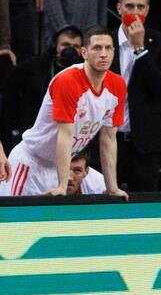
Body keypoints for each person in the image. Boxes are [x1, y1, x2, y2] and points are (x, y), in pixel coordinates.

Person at [0, 27, 126, 198]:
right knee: (13, 221)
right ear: (84, 52)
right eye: (97, 48)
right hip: (30, 162)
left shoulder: (118, 85)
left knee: (47, 224)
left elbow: (108, 139)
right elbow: (64, 135)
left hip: (55, 167)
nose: (103, 54)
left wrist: (112, 187)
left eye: (108, 48)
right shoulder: (67, 80)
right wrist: (62, 185)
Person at [110, 0, 161, 192]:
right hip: (108, 138)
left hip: (145, 141)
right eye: (130, 6)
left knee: (145, 202)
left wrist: (140, 49)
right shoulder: (105, 41)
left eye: (140, 7)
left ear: (147, 10)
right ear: (119, 8)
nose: (135, 13)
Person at [1, 27, 82, 147]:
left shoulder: (84, 71)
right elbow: (8, 87)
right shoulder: (35, 66)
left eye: (76, 46)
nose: (70, 50)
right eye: (65, 44)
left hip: (69, 134)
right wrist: (17, 121)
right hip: (33, 135)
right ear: (55, 46)